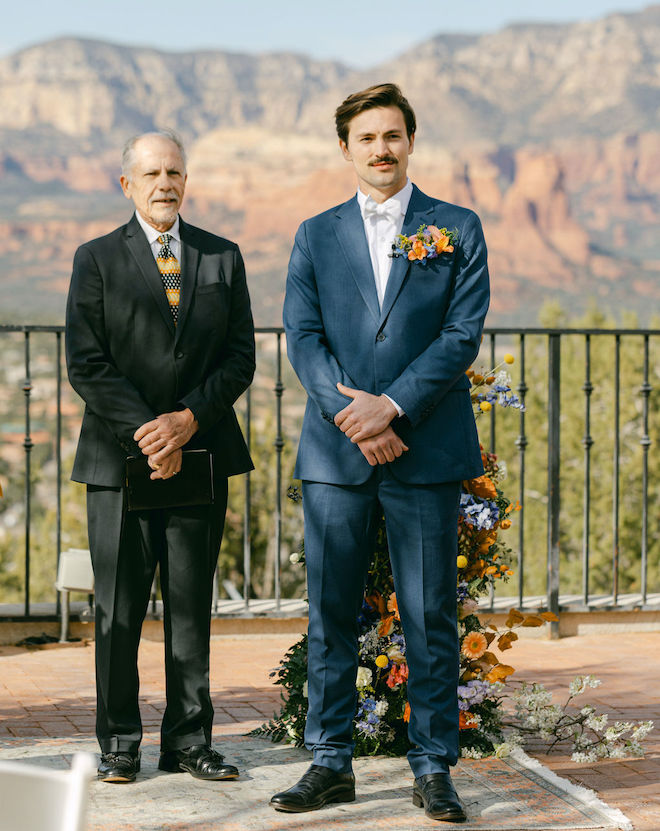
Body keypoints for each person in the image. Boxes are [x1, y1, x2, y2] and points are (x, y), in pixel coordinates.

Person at [272, 84, 489, 822]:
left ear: (411, 141)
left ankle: (434, 766)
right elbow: (302, 338)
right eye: (366, 138)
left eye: (392, 135)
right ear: (345, 148)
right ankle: (329, 760)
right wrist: (357, 417)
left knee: (428, 615)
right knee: (330, 613)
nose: (381, 149)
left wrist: (392, 406)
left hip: (422, 449)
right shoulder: (314, 233)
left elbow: (460, 337)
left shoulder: (455, 227)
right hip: (337, 455)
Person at [65, 129, 255, 784]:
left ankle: (190, 741)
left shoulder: (222, 257)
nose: (165, 183)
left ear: (186, 178)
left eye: (174, 170)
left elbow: (240, 358)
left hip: (200, 455)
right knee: (117, 612)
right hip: (118, 463)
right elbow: (86, 364)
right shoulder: (95, 260)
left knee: (189, 608)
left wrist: (187, 421)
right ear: (127, 184)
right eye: (151, 173)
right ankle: (120, 745)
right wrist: (150, 433)